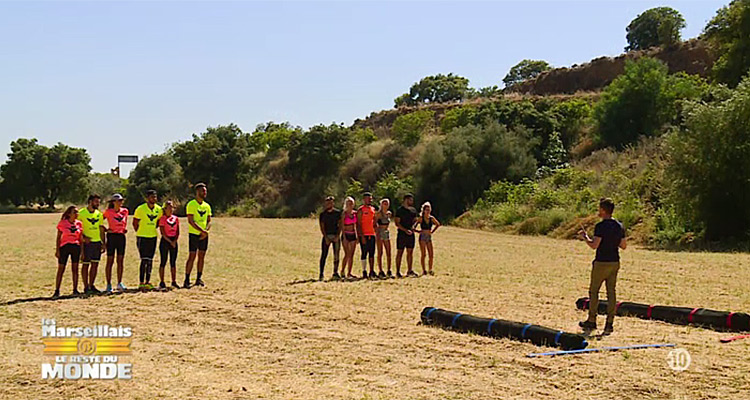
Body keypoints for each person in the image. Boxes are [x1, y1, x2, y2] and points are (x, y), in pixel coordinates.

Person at [578, 198, 627, 335]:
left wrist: (585, 237)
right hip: (614, 262)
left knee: (594, 292)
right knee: (611, 292)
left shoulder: (600, 226)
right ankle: (609, 323)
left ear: (603, 210)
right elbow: (623, 246)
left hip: (601, 262)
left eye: (599, 209)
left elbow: (594, 245)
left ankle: (592, 320)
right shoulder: (619, 226)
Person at [133, 189, 163, 290]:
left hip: (153, 237)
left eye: (155, 197)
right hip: (142, 237)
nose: (154, 199)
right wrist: (141, 231)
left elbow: (159, 222)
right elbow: (135, 223)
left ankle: (148, 281)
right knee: (144, 260)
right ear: (147, 198)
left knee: (150, 260)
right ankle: (141, 282)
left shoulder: (159, 209)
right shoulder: (141, 209)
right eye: (151, 197)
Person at [184, 183, 212, 288]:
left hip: (204, 235)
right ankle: (186, 279)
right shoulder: (191, 204)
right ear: (197, 192)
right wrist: (201, 231)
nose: (204, 193)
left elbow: (209, 220)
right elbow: (191, 221)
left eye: (205, 191)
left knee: (201, 256)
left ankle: (198, 278)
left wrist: (206, 231)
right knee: (192, 256)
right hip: (194, 234)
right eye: (202, 191)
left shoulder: (207, 206)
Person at [79, 194, 106, 294]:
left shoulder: (99, 214)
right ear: (90, 202)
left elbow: (101, 228)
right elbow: (77, 228)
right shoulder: (81, 213)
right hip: (86, 243)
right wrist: (83, 238)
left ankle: (92, 285)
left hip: (97, 242)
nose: (98, 204)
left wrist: (103, 242)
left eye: (98, 202)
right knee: (85, 265)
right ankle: (86, 287)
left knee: (95, 264)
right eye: (96, 202)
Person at [54, 206, 83, 297]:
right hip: (65, 247)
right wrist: (57, 250)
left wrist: (82, 252)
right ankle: (57, 290)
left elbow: (80, 238)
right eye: (74, 212)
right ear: (69, 214)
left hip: (75, 247)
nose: (76, 214)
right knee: (61, 269)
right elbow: (59, 237)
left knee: (75, 269)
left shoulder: (79, 224)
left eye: (77, 212)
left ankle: (75, 289)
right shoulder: (63, 223)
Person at [103, 193, 129, 292]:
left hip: (121, 236)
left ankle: (119, 282)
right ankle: (109, 284)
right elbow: (99, 220)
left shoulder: (125, 211)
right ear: (113, 202)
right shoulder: (108, 212)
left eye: (121, 201)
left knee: (120, 260)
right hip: (111, 236)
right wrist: (105, 229)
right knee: (110, 260)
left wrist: (123, 229)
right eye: (118, 201)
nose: (120, 203)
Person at [395, 194, 419, 278]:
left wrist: (413, 227)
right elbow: (397, 223)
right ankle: (397, 271)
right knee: (400, 252)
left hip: (410, 234)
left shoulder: (413, 210)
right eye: (410, 200)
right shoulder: (399, 210)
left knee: (410, 252)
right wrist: (405, 230)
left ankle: (409, 270)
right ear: (406, 200)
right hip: (402, 234)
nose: (412, 202)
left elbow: (416, 221)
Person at [319, 196, 342, 281]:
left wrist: (337, 235)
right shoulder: (323, 214)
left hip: (335, 236)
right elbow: (322, 227)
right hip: (327, 236)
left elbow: (340, 225)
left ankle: (335, 273)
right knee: (324, 255)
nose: (329, 204)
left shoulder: (337, 213)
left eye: (331, 202)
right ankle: (321, 273)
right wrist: (325, 237)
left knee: (336, 255)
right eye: (328, 203)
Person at [158, 200, 180, 290]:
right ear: (165, 209)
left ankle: (173, 281)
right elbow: (162, 232)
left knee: (173, 262)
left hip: (174, 240)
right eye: (169, 208)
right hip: (165, 241)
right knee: (163, 261)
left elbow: (178, 231)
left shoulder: (176, 218)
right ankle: (162, 281)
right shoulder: (162, 219)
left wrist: (174, 241)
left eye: (172, 208)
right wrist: (170, 242)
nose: (171, 210)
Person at [357, 192, 378, 279]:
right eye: (368, 198)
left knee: (372, 253)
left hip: (372, 234)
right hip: (364, 234)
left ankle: (372, 270)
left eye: (370, 198)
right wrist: (361, 236)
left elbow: (374, 221)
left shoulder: (373, 209)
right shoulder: (361, 210)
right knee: (364, 252)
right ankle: (364, 270)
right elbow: (358, 224)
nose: (369, 200)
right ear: (364, 199)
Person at [415, 202, 440, 276]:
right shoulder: (421, 218)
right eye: (426, 209)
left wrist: (432, 231)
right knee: (423, 254)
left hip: (428, 237)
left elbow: (438, 224)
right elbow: (413, 227)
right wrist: (419, 231)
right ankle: (424, 270)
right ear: (423, 210)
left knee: (431, 254)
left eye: (429, 209)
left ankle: (430, 269)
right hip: (422, 236)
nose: (428, 211)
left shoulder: (431, 218)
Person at [340, 196, 358, 280]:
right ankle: (342, 270)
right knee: (347, 254)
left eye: (351, 203)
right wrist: (344, 237)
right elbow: (342, 226)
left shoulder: (355, 213)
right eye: (349, 203)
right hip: (346, 234)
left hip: (353, 234)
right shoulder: (344, 214)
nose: (350, 204)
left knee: (352, 254)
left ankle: (349, 272)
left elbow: (355, 225)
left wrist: (357, 235)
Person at [375, 198, 392, 279]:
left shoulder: (389, 214)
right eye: (384, 203)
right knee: (380, 252)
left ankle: (389, 269)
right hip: (379, 233)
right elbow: (374, 223)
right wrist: (377, 233)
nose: (385, 205)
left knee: (389, 252)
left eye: (387, 203)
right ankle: (380, 270)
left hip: (386, 232)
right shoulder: (378, 214)